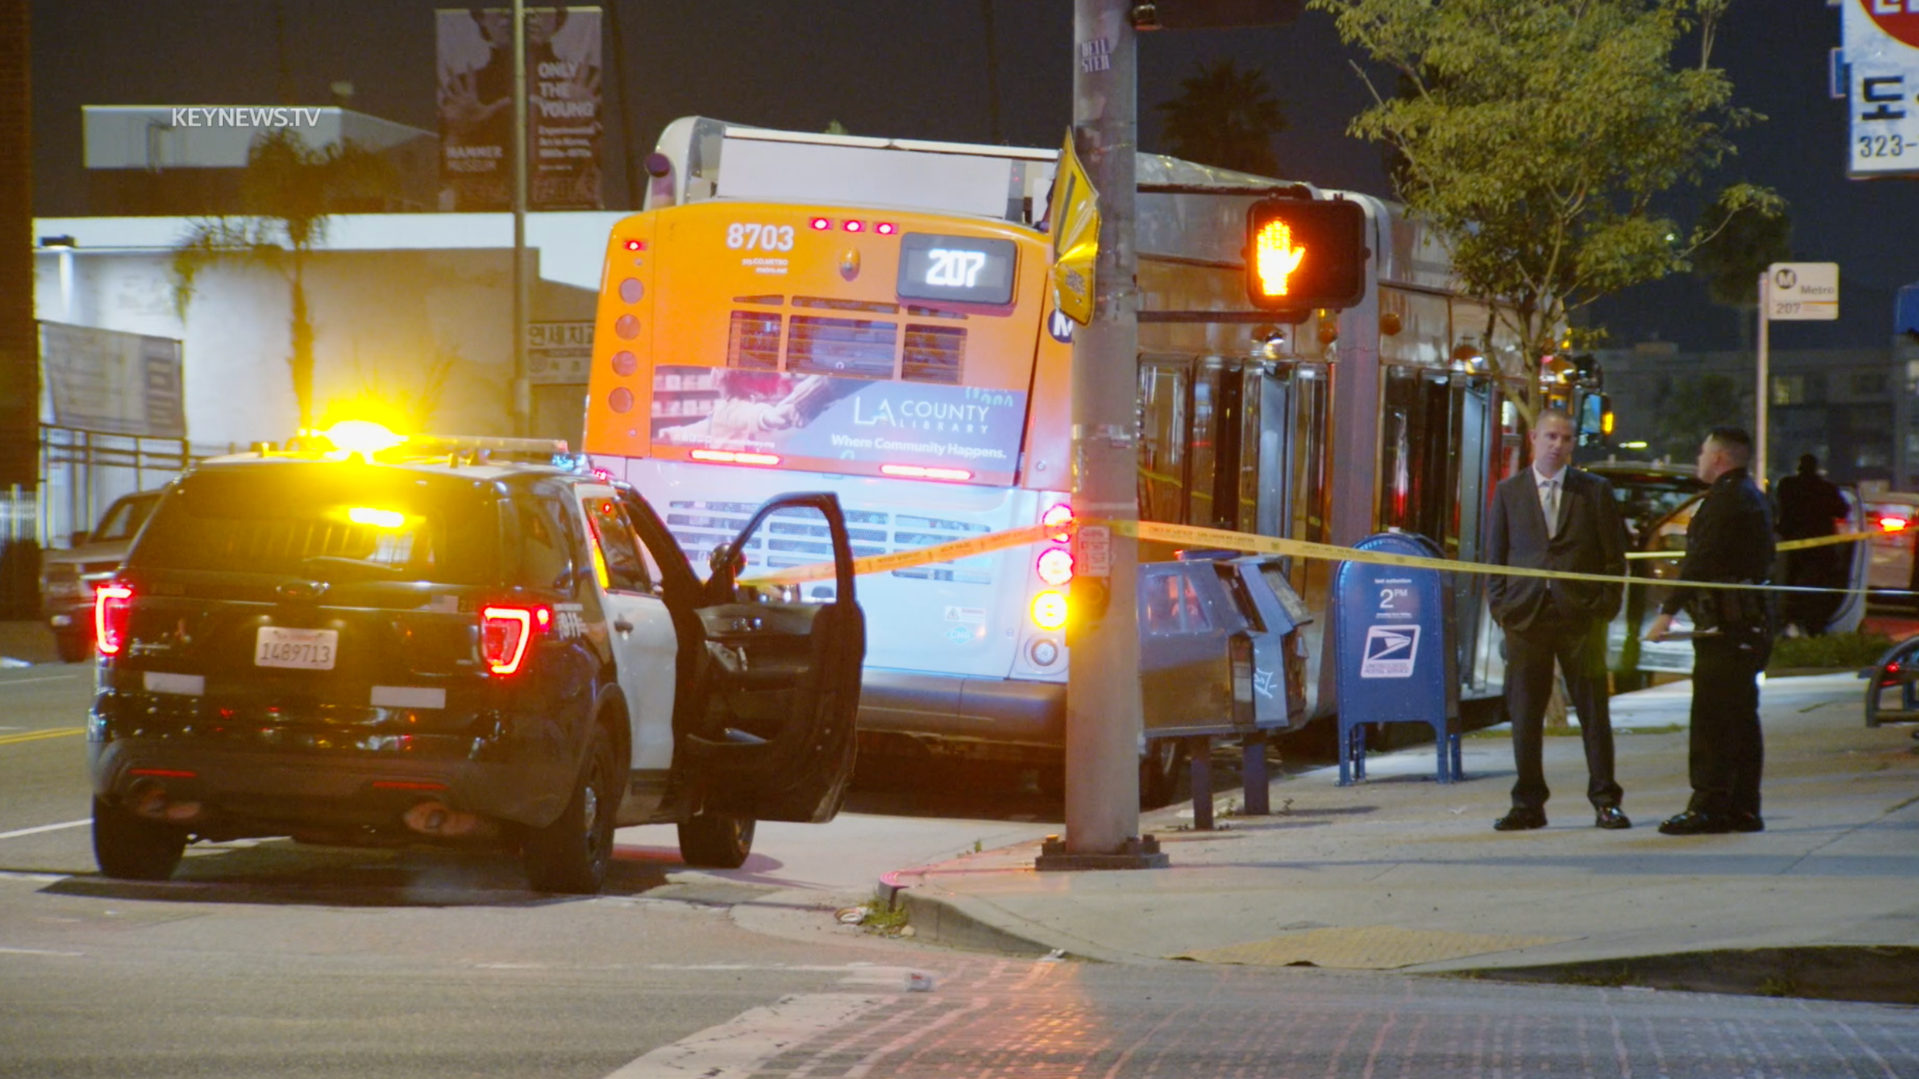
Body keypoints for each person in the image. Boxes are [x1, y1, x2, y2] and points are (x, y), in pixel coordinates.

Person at [1484, 409, 1632, 832]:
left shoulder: (1594, 491)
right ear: (1533, 438)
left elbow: (1612, 556)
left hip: (1580, 618)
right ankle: (1528, 803)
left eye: (1566, 438)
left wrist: (1604, 607)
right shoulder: (1510, 492)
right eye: (1551, 436)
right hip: (1526, 618)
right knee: (1525, 714)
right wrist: (1502, 608)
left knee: (1593, 714)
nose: (1558, 445)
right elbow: (1495, 557)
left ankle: (1606, 801)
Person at [1646, 426, 1776, 835]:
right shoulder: (1752, 496)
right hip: (1746, 626)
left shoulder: (1725, 501)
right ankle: (1743, 807)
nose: (1698, 458)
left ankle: (1709, 805)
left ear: (1719, 458)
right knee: (1740, 718)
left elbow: (1700, 561)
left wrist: (1667, 612)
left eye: (1703, 451)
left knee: (1713, 720)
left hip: (1725, 627)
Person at [1774, 453, 1849, 636]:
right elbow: (1843, 511)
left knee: (1789, 585)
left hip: (1792, 546)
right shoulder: (1826, 488)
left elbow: (1777, 508)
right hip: (1821, 548)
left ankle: (1790, 623)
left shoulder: (1787, 486)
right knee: (1818, 589)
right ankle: (1813, 626)